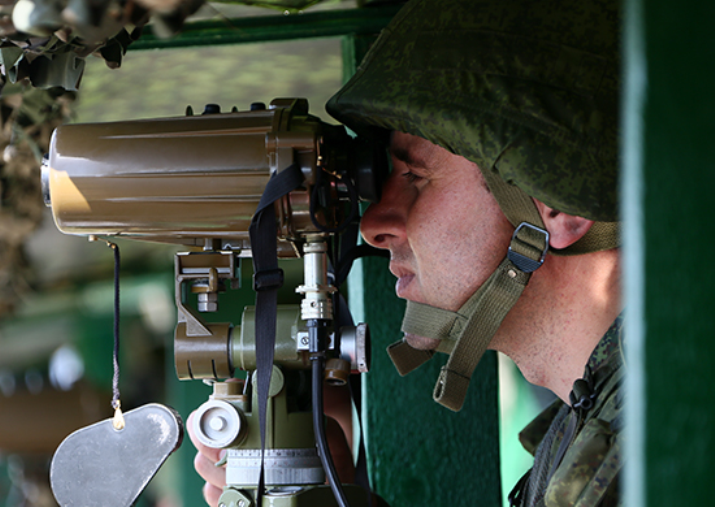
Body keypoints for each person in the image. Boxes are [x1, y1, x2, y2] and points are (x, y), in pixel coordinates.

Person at [191, 0, 625, 505]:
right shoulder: (596, 421)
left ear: (557, 207)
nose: (374, 225)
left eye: (415, 178)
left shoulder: (655, 433)